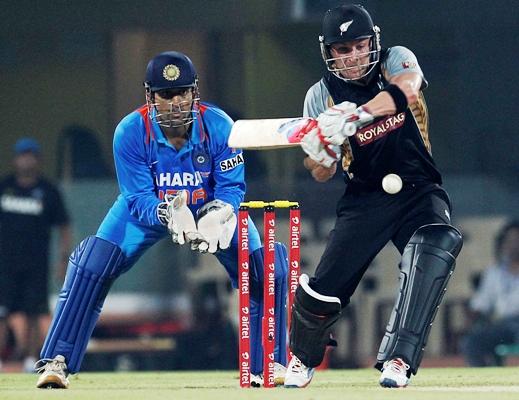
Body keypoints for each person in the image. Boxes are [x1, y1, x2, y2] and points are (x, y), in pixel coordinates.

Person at [34, 51, 288, 388]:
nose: (175, 102)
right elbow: (137, 197)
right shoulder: (130, 131)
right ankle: (58, 361)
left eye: (182, 92)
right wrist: (167, 213)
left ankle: (269, 363)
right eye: (166, 94)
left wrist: (219, 214)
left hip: (211, 209)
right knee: (92, 264)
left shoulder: (220, 126)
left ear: (195, 93)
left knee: (266, 267)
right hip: (150, 210)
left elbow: (232, 187)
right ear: (151, 97)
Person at [284, 4, 463, 388]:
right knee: (322, 292)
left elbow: (407, 90)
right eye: (342, 49)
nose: (353, 56)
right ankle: (302, 358)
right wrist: (323, 151)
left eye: (359, 45)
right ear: (328, 52)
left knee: (435, 247)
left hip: (419, 189)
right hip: (364, 197)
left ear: (373, 41)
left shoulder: (394, 61)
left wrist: (354, 116)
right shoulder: (320, 96)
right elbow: (320, 172)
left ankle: (398, 359)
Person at [0, 138, 71, 372]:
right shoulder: (5, 187)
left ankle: (31, 360)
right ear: (15, 159)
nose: (26, 159)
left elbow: (64, 227)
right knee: (3, 312)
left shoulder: (48, 191)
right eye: (22, 155)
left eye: (31, 155)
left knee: (33, 313)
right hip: (5, 264)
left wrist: (63, 261)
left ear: (38, 159)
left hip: (35, 265)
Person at [461, 220, 519, 366]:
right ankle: (485, 378)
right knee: (472, 341)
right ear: (502, 244)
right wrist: (469, 324)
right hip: (504, 326)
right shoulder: (494, 273)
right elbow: (480, 305)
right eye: (510, 240)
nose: (514, 245)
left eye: (517, 240)